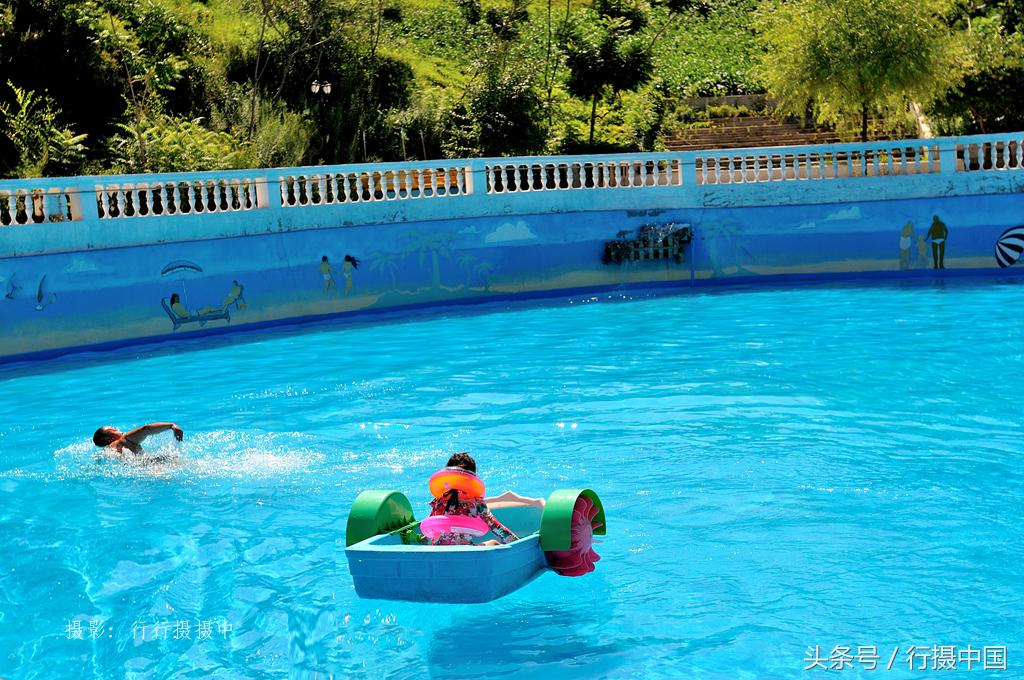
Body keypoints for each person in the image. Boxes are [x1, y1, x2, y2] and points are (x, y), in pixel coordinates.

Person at [426, 452, 542, 546]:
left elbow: (430, 528)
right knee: (494, 543)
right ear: (472, 478)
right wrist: (519, 545)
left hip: (439, 550)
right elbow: (497, 528)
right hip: (464, 552)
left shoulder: (439, 502)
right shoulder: (476, 504)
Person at [93, 422, 183, 463]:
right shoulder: (124, 439)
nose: (118, 430)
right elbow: (146, 429)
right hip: (153, 469)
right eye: (114, 430)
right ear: (109, 438)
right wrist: (171, 426)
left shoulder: (108, 451)